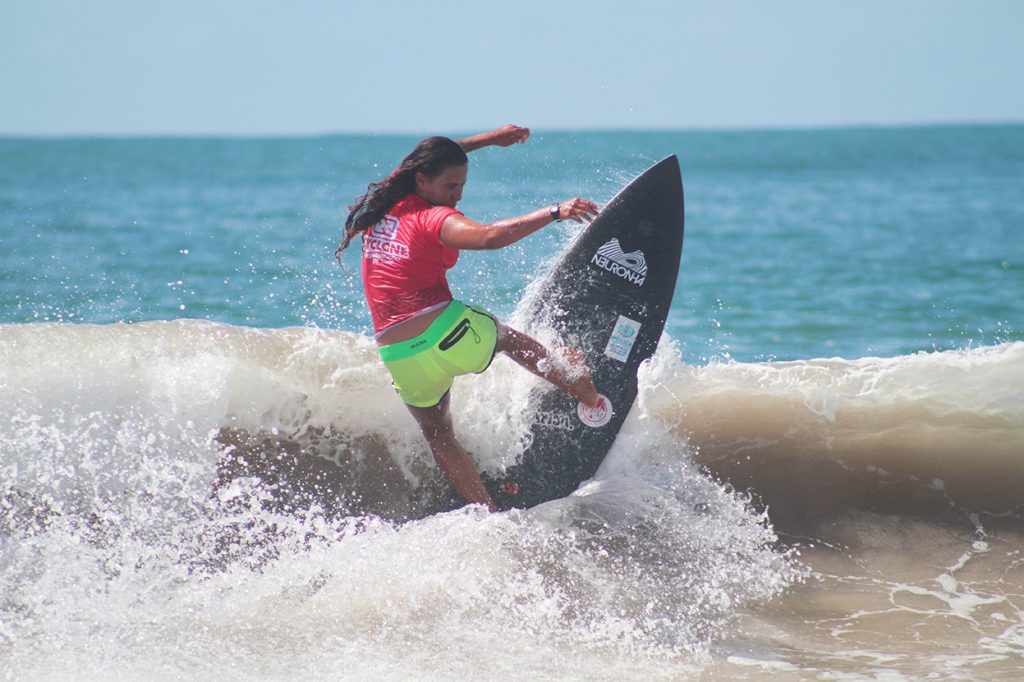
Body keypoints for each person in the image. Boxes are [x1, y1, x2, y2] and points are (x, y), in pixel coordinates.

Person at [337, 124, 600, 511]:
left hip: (398, 353)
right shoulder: (433, 219)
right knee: (505, 339)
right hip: (444, 329)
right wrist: (556, 211)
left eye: (461, 185)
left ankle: (488, 513)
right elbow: (490, 237)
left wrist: (490, 139)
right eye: (450, 187)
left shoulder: (390, 199)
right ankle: (586, 393)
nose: (457, 196)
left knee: (438, 433)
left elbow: (435, 153)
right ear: (422, 181)